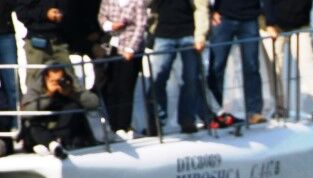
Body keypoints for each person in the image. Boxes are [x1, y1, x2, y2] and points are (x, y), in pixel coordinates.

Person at [149, 0, 210, 133]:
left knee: (190, 78)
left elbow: (201, 7)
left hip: (189, 34)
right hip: (162, 33)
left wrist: (200, 35)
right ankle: (156, 121)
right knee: (157, 78)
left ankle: (187, 120)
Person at [21, 62, 99, 158]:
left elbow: (94, 102)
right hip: (43, 128)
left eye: (59, 80)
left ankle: (59, 143)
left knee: (73, 107)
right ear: (46, 79)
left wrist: (72, 93)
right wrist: (48, 96)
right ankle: (52, 145)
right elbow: (26, 113)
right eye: (53, 81)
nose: (57, 84)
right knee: (32, 125)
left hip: (65, 129)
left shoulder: (71, 83)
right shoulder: (36, 87)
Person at [207, 0, 265, 125]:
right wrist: (211, 11)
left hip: (250, 16)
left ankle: (254, 112)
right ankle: (218, 113)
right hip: (223, 16)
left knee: (252, 66)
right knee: (216, 66)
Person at [97, 0, 147, 139]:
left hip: (130, 49)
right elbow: (102, 16)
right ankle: (113, 125)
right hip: (112, 47)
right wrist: (110, 25)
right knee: (111, 86)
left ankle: (124, 125)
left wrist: (131, 48)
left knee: (126, 87)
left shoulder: (137, 2)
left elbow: (141, 26)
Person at [261, 0, 312, 117]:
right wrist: (269, 23)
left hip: (300, 22)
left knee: (309, 64)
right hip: (273, 26)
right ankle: (279, 107)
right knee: (275, 68)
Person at [14, 0, 76, 90]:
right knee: (34, 82)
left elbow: (69, 9)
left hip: (59, 40)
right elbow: (21, 13)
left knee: (70, 79)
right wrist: (45, 14)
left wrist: (61, 14)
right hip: (37, 42)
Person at [0, 0, 18, 110]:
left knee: (12, 82)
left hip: (5, 34)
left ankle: (16, 117)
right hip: (6, 36)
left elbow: (15, 4)